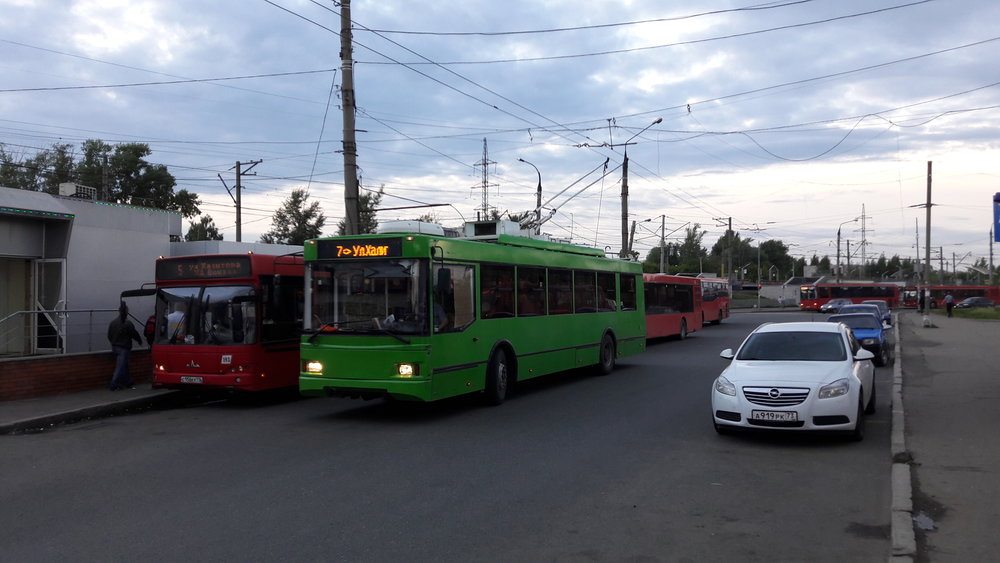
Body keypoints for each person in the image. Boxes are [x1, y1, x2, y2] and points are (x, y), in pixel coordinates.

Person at [107, 302, 142, 390]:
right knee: (120, 367)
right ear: (126, 312)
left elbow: (109, 335)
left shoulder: (113, 322)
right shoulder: (127, 323)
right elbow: (134, 334)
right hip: (123, 348)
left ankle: (128, 382)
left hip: (115, 347)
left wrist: (113, 342)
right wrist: (139, 341)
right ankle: (113, 384)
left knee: (124, 365)